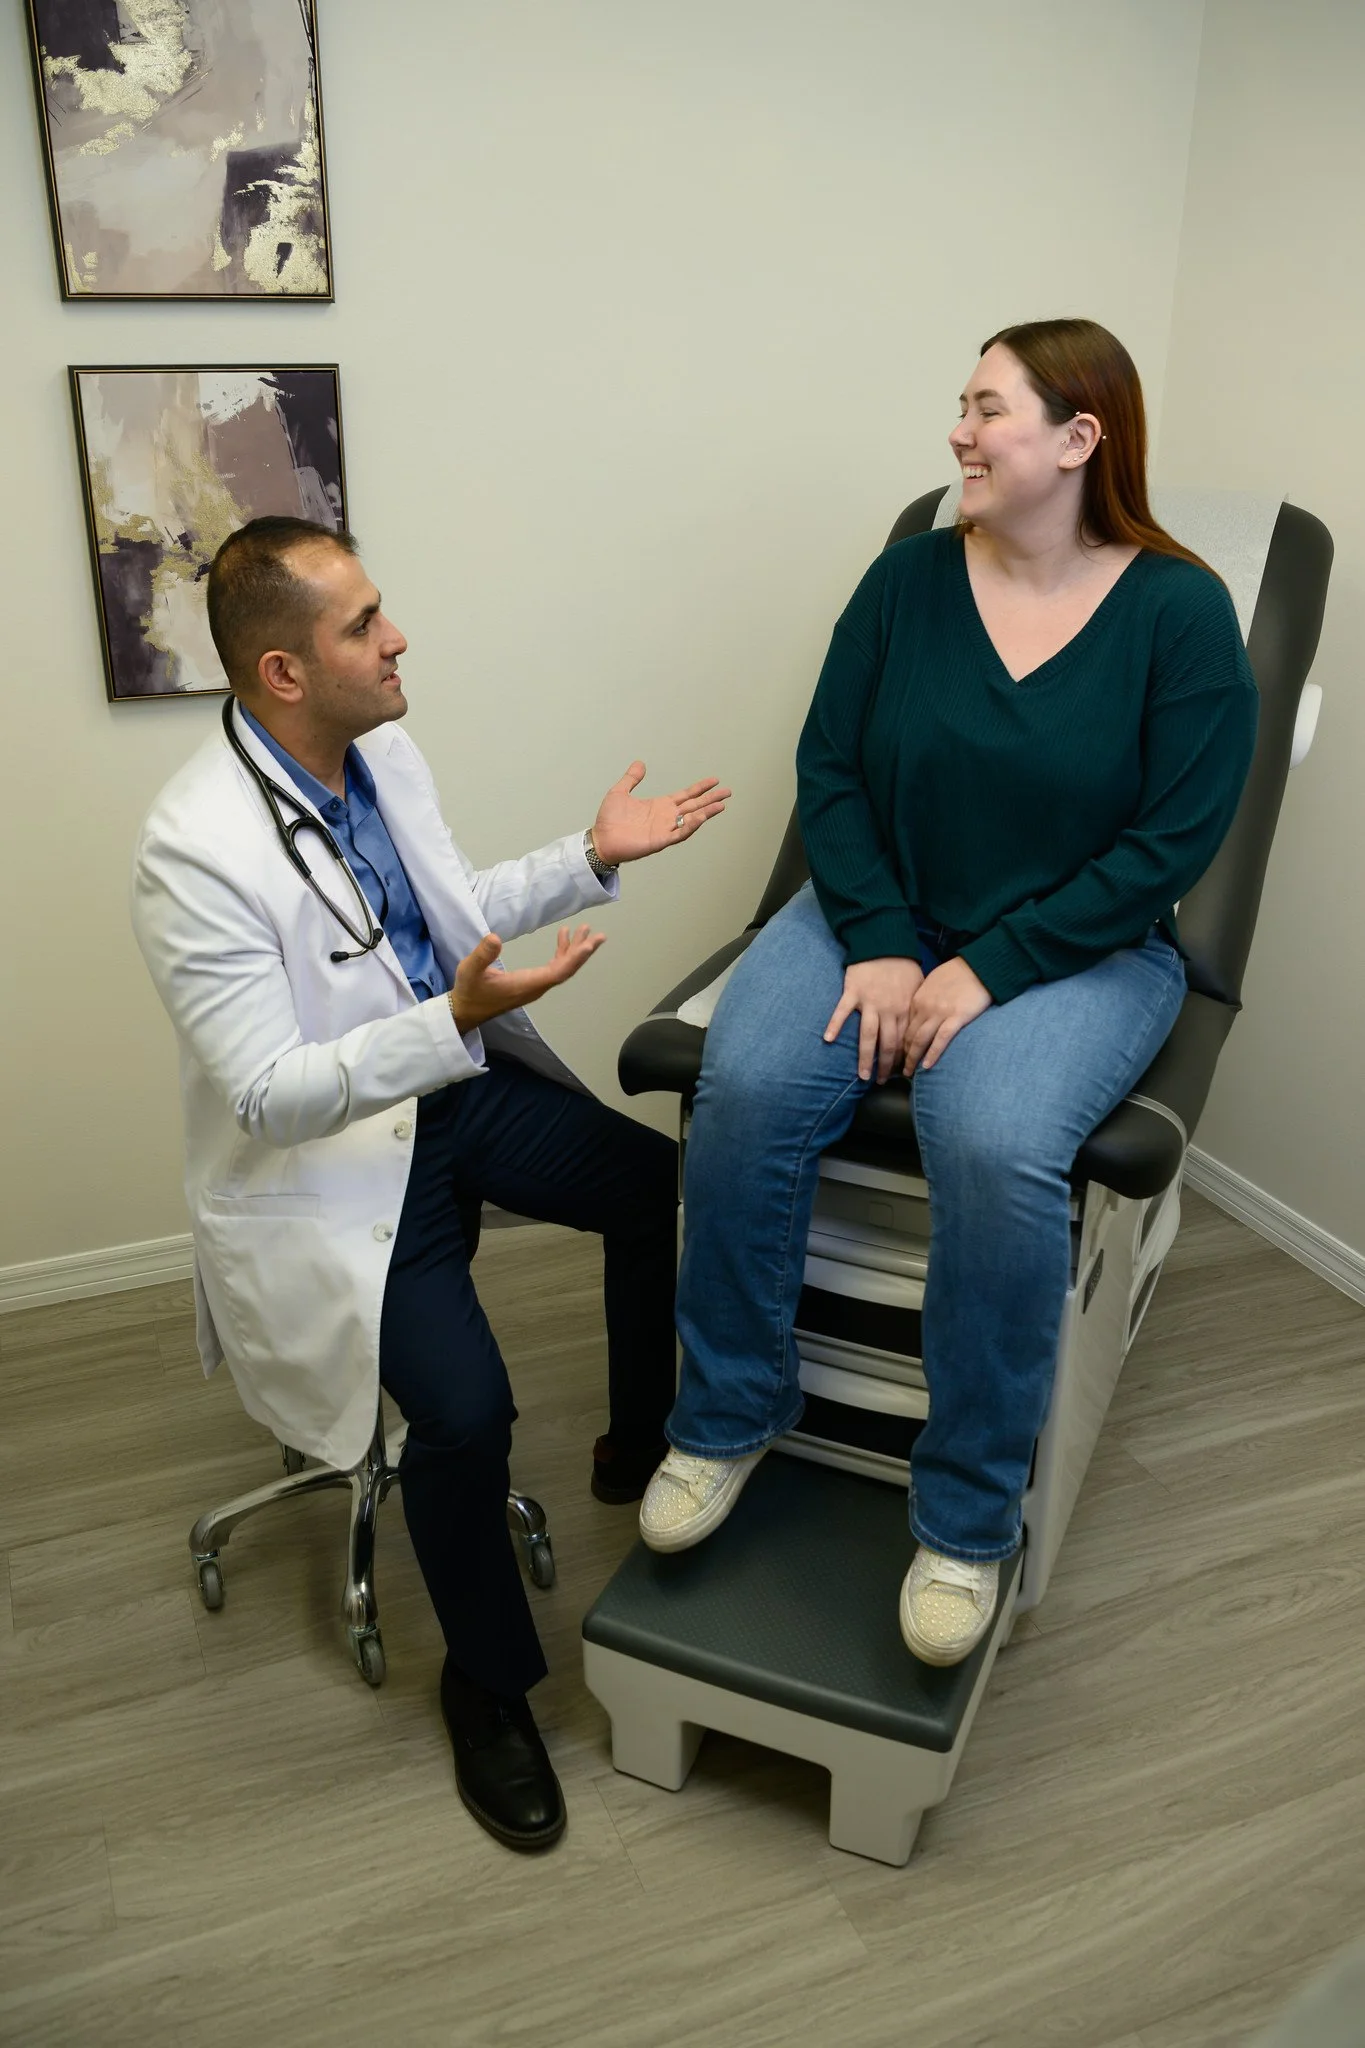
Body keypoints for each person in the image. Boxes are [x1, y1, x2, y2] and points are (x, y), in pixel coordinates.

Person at [638, 318, 1259, 1668]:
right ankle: (727, 1416)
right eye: (962, 409)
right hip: (879, 910)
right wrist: (874, 938)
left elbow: (1172, 843)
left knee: (987, 1136)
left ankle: (970, 1515)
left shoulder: (1179, 612)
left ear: (1079, 440)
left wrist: (989, 966)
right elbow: (831, 768)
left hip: (1083, 948)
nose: (959, 434)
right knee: (744, 1085)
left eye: (987, 410)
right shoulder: (910, 580)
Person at [132, 516, 728, 1852]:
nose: (397, 638)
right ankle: (490, 1686)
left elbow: (448, 912)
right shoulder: (194, 850)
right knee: (465, 1416)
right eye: (364, 624)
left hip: (449, 1095)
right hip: (341, 1161)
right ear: (284, 672)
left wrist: (593, 854)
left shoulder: (380, 751)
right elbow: (269, 1093)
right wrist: (445, 1026)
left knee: (649, 1186)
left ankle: (640, 1444)